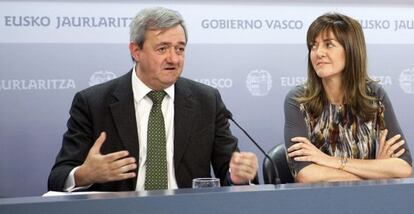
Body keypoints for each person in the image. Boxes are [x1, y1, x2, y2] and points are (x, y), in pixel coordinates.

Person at [48, 7, 258, 192]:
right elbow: (58, 177)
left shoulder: (206, 101)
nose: (174, 59)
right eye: (162, 48)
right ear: (136, 50)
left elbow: (229, 171)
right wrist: (85, 175)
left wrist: (237, 176)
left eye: (180, 49)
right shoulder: (93, 103)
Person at [284, 12, 412, 183]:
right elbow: (306, 175)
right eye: (313, 46)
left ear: (351, 50)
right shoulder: (299, 100)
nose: (318, 52)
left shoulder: (374, 96)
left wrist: (330, 161)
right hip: (318, 203)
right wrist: (376, 170)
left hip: (370, 201)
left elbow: (403, 167)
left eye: (329, 44)